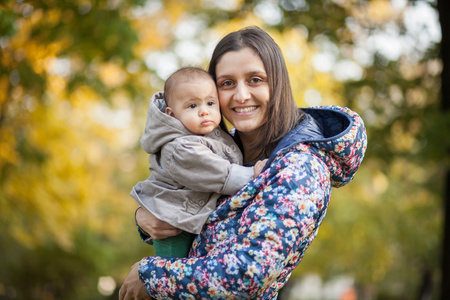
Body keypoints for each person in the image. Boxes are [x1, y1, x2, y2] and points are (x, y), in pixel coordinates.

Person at [120, 26, 367, 300]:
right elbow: (191, 207)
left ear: (278, 83)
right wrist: (144, 219)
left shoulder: (300, 168)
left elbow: (245, 276)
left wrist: (151, 274)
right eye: (227, 83)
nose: (240, 95)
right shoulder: (221, 150)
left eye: (255, 80)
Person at [131, 67, 267, 258]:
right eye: (192, 106)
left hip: (189, 216)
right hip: (173, 223)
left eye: (210, 103)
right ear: (171, 114)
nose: (204, 112)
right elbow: (218, 173)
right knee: (169, 270)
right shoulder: (180, 147)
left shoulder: (207, 135)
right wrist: (252, 173)